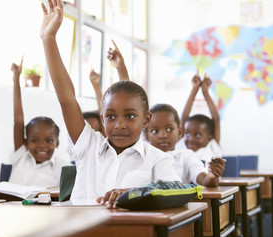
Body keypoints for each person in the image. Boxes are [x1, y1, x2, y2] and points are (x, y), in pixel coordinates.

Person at [39, 0, 180, 208]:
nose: (119, 124)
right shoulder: (89, 147)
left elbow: (176, 189)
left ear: (146, 119)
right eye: (111, 117)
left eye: (130, 116)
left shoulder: (158, 159)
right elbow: (67, 99)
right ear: (102, 117)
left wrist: (136, 193)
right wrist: (48, 38)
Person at [9, 57, 69, 188]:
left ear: (57, 143)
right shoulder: (21, 156)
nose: (42, 146)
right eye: (34, 140)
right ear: (25, 142)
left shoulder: (64, 168)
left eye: (49, 141)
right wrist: (16, 81)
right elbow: (18, 121)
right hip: (12, 207)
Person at [145, 103, 225, 186]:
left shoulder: (186, 157)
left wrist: (212, 177)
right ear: (147, 135)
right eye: (155, 131)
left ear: (179, 133)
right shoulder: (141, 156)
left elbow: (204, 180)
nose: (163, 135)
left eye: (169, 129)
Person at [177, 73, 222, 166]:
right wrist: (194, 89)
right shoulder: (182, 146)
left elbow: (216, 119)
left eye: (197, 135)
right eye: (187, 134)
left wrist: (205, 92)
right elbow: (184, 117)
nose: (191, 139)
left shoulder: (212, 146)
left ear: (210, 136)